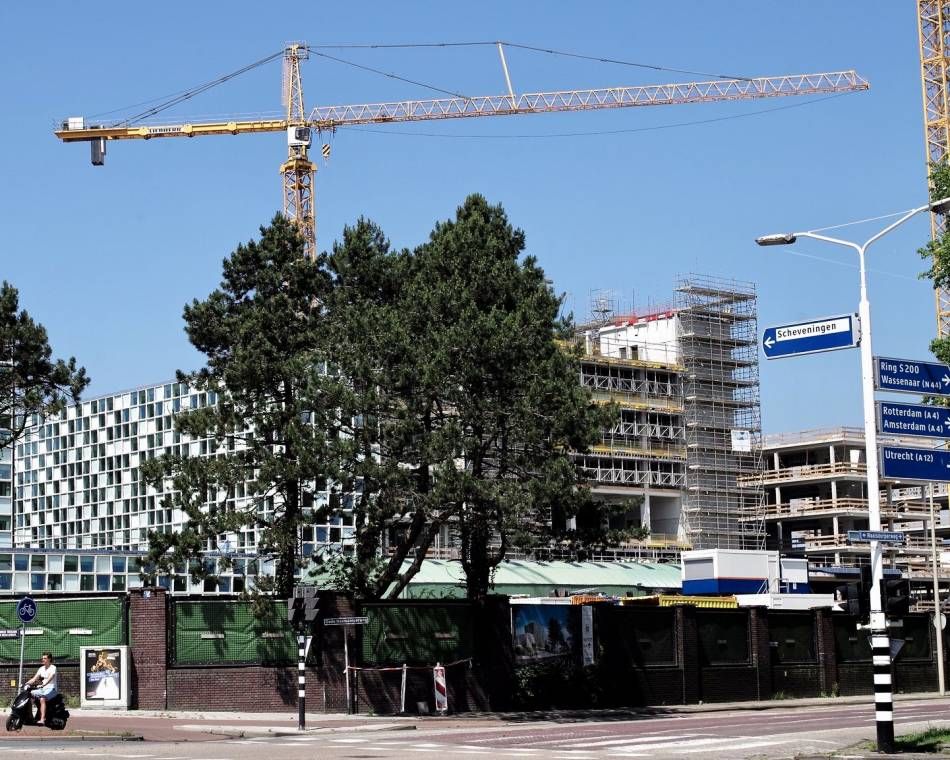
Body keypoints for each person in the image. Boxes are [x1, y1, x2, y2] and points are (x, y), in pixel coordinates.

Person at [25, 651, 58, 724]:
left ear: (49, 659)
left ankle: (42, 719)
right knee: (29, 695)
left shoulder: (53, 668)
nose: (43, 659)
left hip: (52, 689)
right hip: (42, 689)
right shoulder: (41, 668)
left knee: (42, 698)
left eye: (45, 658)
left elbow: (50, 677)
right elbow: (34, 679)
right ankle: (30, 717)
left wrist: (44, 684)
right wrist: (27, 684)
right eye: (42, 658)